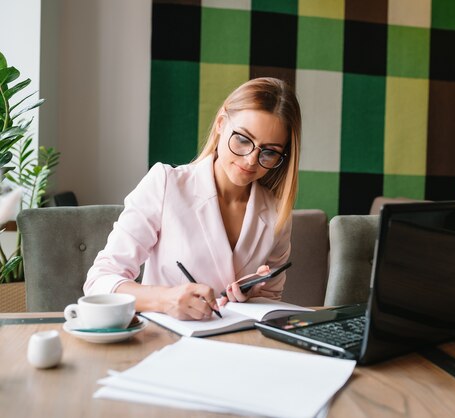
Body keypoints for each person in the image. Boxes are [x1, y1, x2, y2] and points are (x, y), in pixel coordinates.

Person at [83, 77, 301, 320]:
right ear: (220, 124)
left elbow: (271, 301)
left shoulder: (277, 213)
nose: (251, 160)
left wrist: (250, 296)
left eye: (269, 151)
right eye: (242, 139)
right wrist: (166, 300)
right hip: (166, 341)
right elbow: (99, 280)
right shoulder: (165, 184)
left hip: (237, 345)